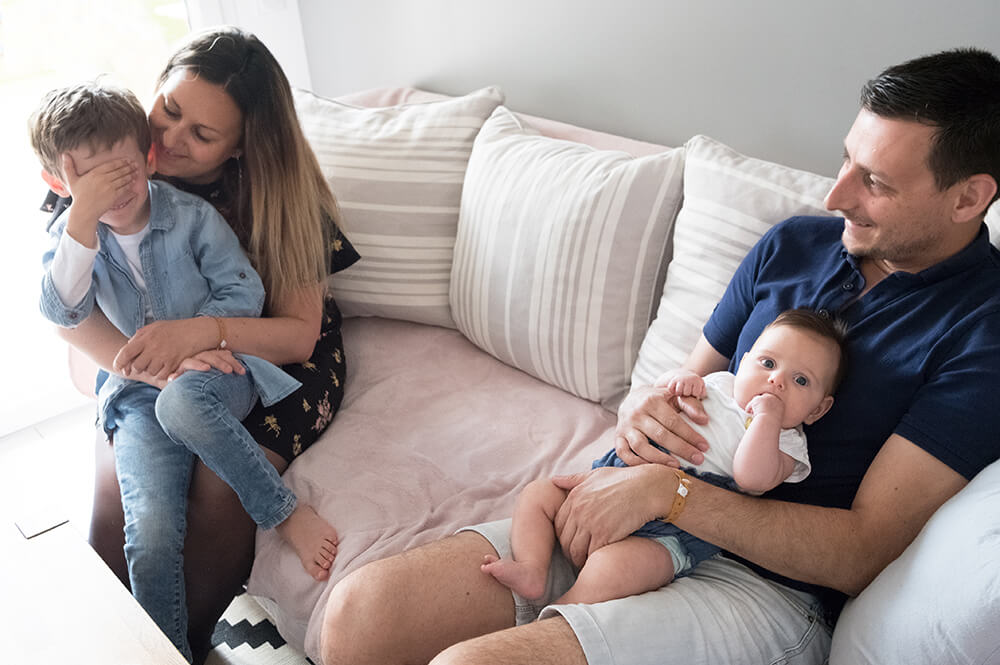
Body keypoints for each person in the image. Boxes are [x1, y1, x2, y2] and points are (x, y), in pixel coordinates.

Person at [317, 47, 1000, 665]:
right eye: (846, 158)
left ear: (970, 196)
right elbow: (682, 385)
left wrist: (674, 496)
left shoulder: (983, 331)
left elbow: (861, 552)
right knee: (360, 615)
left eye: (874, 181)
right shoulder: (794, 243)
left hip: (767, 587)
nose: (835, 195)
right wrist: (642, 416)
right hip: (634, 510)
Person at [43, 27, 360, 664]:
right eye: (170, 109)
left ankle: (179, 648)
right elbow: (66, 311)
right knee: (121, 518)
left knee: (216, 489)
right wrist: (157, 367)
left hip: (265, 353)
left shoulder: (278, 194)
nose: (167, 139)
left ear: (242, 148)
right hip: (149, 365)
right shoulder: (111, 149)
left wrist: (198, 336)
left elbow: (297, 333)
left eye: (202, 135)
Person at [481, 309, 847, 605]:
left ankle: (568, 607)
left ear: (818, 409)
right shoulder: (719, 384)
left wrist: (766, 419)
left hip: (675, 528)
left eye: (801, 381)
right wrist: (678, 382)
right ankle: (531, 568)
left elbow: (752, 478)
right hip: (620, 472)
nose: (776, 381)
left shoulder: (789, 445)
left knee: (615, 569)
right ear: (745, 360)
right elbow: (661, 402)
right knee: (539, 495)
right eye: (768, 363)